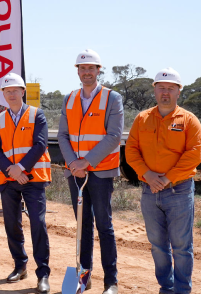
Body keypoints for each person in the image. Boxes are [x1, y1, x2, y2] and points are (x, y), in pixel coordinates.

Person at [125, 68, 201, 294]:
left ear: (179, 92)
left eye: (171, 88)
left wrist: (167, 178)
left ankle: (182, 290)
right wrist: (147, 175)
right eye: (161, 88)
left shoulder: (189, 120)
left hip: (179, 191)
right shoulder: (142, 119)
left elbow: (194, 154)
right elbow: (131, 150)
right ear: (155, 91)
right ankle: (166, 288)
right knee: (158, 246)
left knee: (181, 246)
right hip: (150, 191)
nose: (165, 93)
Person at [58, 49, 123, 294]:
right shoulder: (69, 98)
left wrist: (86, 162)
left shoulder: (112, 98)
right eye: (83, 68)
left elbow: (114, 136)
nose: (87, 72)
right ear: (78, 71)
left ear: (98, 70)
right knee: (82, 226)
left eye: (91, 68)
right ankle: (83, 279)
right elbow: (63, 135)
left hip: (101, 172)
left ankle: (111, 282)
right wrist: (74, 163)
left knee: (104, 225)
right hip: (75, 173)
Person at [0, 72, 52, 294]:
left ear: (23, 92)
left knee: (38, 224)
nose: (12, 94)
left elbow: (40, 145)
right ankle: (20, 265)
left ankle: (43, 274)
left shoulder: (37, 115)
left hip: (33, 180)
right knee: (12, 225)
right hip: (9, 181)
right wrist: (12, 171)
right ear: (3, 95)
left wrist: (21, 169)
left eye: (15, 90)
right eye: (8, 91)